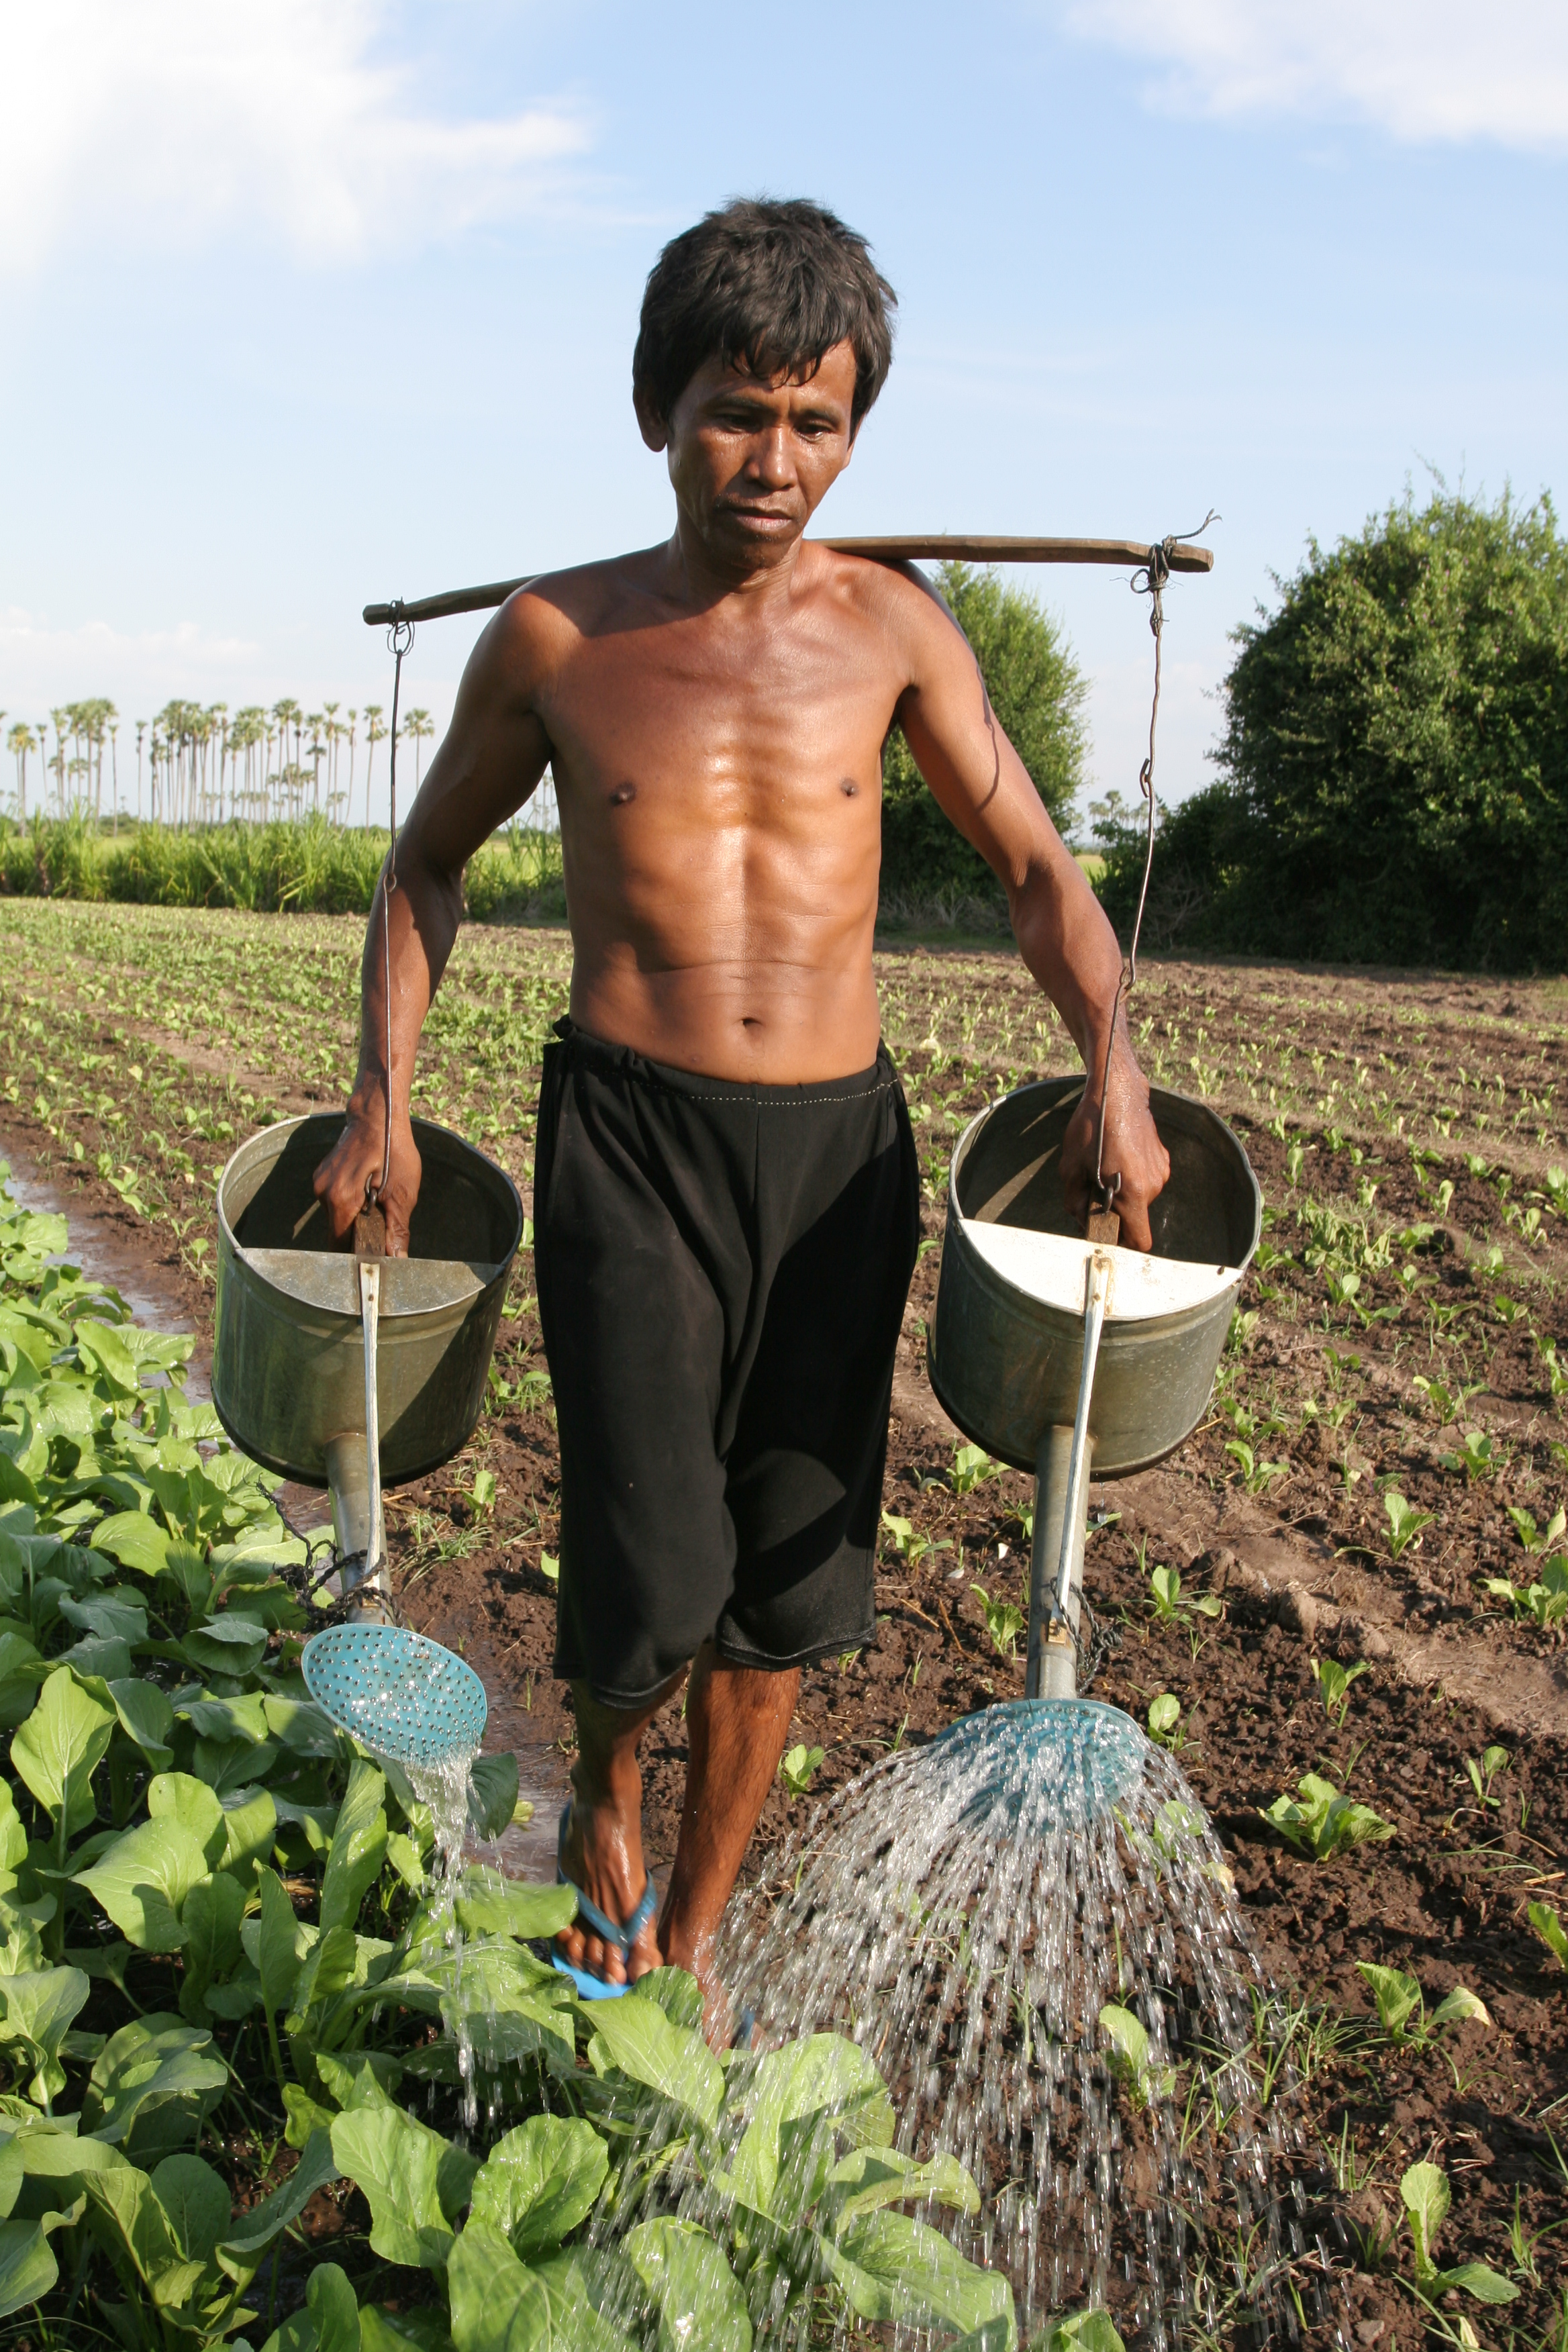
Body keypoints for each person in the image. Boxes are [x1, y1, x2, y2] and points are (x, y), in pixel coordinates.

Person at [313, 197, 1170, 2025]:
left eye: (815, 421)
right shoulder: (560, 642)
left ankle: (690, 1950)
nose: (773, 461)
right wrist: (380, 1096)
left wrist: (1113, 1054)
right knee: (652, 1558)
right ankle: (603, 1806)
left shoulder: (897, 634)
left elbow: (1031, 864)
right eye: (733, 411)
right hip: (631, 1137)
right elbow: (424, 870)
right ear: (656, 408)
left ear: (854, 431)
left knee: (790, 1581)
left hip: (841, 1155)